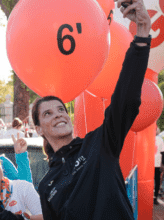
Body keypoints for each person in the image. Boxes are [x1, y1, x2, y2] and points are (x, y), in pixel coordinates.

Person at [31, 0, 151, 219]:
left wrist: (142, 35)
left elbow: (125, 98)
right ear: (38, 129)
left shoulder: (100, 143)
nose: (58, 113)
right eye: (47, 113)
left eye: (61, 109)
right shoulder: (47, 187)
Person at [154, 127, 164, 205]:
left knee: (154, 182)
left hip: (149, 164)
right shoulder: (160, 140)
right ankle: (155, 198)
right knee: (157, 182)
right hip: (157, 164)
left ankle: (153, 197)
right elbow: (163, 153)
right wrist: (162, 165)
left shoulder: (160, 140)